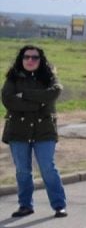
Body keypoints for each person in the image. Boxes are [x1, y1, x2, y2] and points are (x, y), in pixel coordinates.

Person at [2, 45, 69, 218]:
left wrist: (23, 94)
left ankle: (59, 205)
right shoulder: (12, 78)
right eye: (26, 57)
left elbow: (54, 92)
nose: (30, 60)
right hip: (18, 131)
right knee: (22, 170)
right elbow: (8, 100)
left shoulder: (49, 77)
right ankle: (25, 205)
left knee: (47, 168)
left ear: (41, 60)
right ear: (21, 59)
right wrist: (38, 102)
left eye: (35, 57)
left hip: (44, 131)